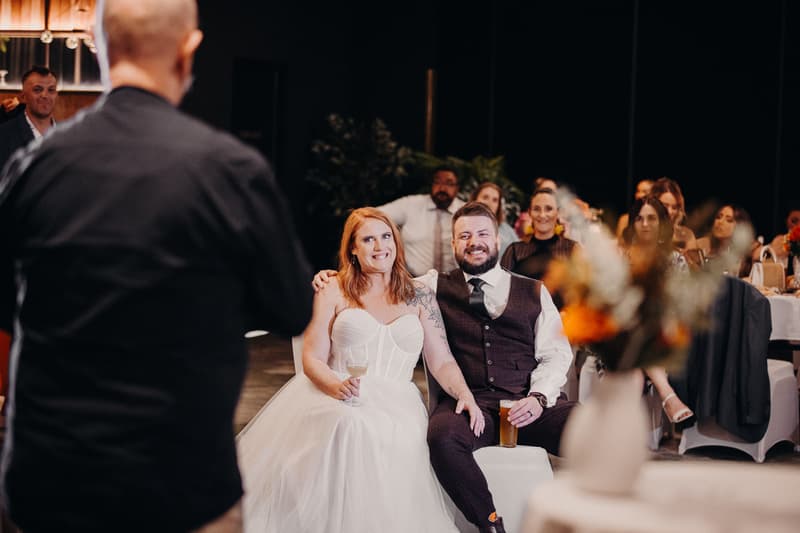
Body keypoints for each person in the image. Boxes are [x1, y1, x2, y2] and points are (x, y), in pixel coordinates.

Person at [0, 1, 314, 531]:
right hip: (181, 476)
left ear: (99, 48)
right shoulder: (230, 170)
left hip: (52, 478)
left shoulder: (32, 168)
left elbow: (8, 307)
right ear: (188, 50)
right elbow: (290, 307)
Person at [314, 201, 575, 533]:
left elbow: (557, 354)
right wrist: (333, 277)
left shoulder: (534, 291)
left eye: (482, 234)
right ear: (453, 244)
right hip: (471, 405)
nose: (474, 242)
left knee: (588, 427)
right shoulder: (429, 287)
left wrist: (538, 398)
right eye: (464, 236)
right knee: (442, 439)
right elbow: (381, 278)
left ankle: (590, 519)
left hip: (530, 403)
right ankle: (491, 524)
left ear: (498, 239)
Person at [239, 207, 483, 532]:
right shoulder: (333, 288)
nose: (379, 246)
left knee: (384, 431)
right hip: (336, 390)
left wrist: (464, 393)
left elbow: (442, 360)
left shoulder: (420, 295)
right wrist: (334, 386)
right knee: (350, 423)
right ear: (352, 248)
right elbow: (312, 357)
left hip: (397, 402)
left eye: (386, 237)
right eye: (368, 239)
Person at [621, 196, 693, 424]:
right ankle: (668, 396)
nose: (645, 224)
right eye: (639, 218)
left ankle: (625, 431)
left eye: (651, 218)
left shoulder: (675, 260)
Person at [500, 187, 580, 309]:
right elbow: (501, 292)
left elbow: (581, 294)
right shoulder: (515, 250)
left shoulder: (572, 249)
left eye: (549, 209)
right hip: (523, 317)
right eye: (537, 209)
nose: (542, 215)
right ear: (529, 212)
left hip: (564, 317)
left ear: (558, 212)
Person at [377, 165, 465, 276]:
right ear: (431, 185)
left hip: (455, 282)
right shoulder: (410, 205)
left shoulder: (466, 212)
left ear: (457, 188)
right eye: (437, 182)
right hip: (412, 280)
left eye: (449, 183)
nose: (442, 189)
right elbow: (373, 216)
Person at [0, 65, 58, 168]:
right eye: (37, 90)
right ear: (23, 97)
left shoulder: (69, 136)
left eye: (51, 90)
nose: (45, 95)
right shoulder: (3, 135)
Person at [695, 204, 758, 277]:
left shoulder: (746, 251)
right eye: (718, 217)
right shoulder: (702, 246)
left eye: (729, 220)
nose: (720, 222)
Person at [649, 177, 696, 255]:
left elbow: (694, 262)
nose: (670, 212)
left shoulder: (686, 235)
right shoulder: (643, 230)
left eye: (674, 207)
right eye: (665, 206)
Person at [470, 181, 518, 257]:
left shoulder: (508, 232)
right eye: (485, 197)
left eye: (495, 200)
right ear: (475, 199)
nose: (489, 203)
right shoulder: (461, 224)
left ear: (498, 206)